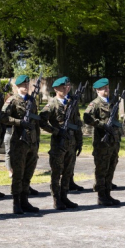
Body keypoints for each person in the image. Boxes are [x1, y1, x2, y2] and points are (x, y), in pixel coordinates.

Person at [39, 76, 83, 210]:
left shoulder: (72, 103)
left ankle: (64, 196)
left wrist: (79, 142)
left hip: (72, 143)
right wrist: (55, 131)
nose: (66, 89)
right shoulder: (52, 104)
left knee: (68, 172)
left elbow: (77, 124)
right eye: (64, 87)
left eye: (68, 86)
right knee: (57, 172)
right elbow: (41, 121)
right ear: (56, 89)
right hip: (59, 144)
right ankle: (56, 198)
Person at [1, 75, 41, 214]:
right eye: (22, 85)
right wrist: (19, 122)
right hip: (18, 143)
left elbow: (35, 122)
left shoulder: (32, 100)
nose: (25, 87)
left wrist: (37, 140)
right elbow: (3, 117)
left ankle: (25, 200)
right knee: (18, 174)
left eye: (27, 84)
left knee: (28, 174)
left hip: (32, 142)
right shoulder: (12, 100)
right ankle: (16, 202)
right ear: (17, 87)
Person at [82, 78, 120, 206]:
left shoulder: (113, 102)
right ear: (97, 90)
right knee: (101, 169)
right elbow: (86, 117)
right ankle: (101, 195)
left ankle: (108, 193)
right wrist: (101, 125)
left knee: (111, 167)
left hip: (113, 142)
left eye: (107, 88)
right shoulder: (95, 104)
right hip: (102, 143)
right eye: (103, 88)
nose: (106, 90)